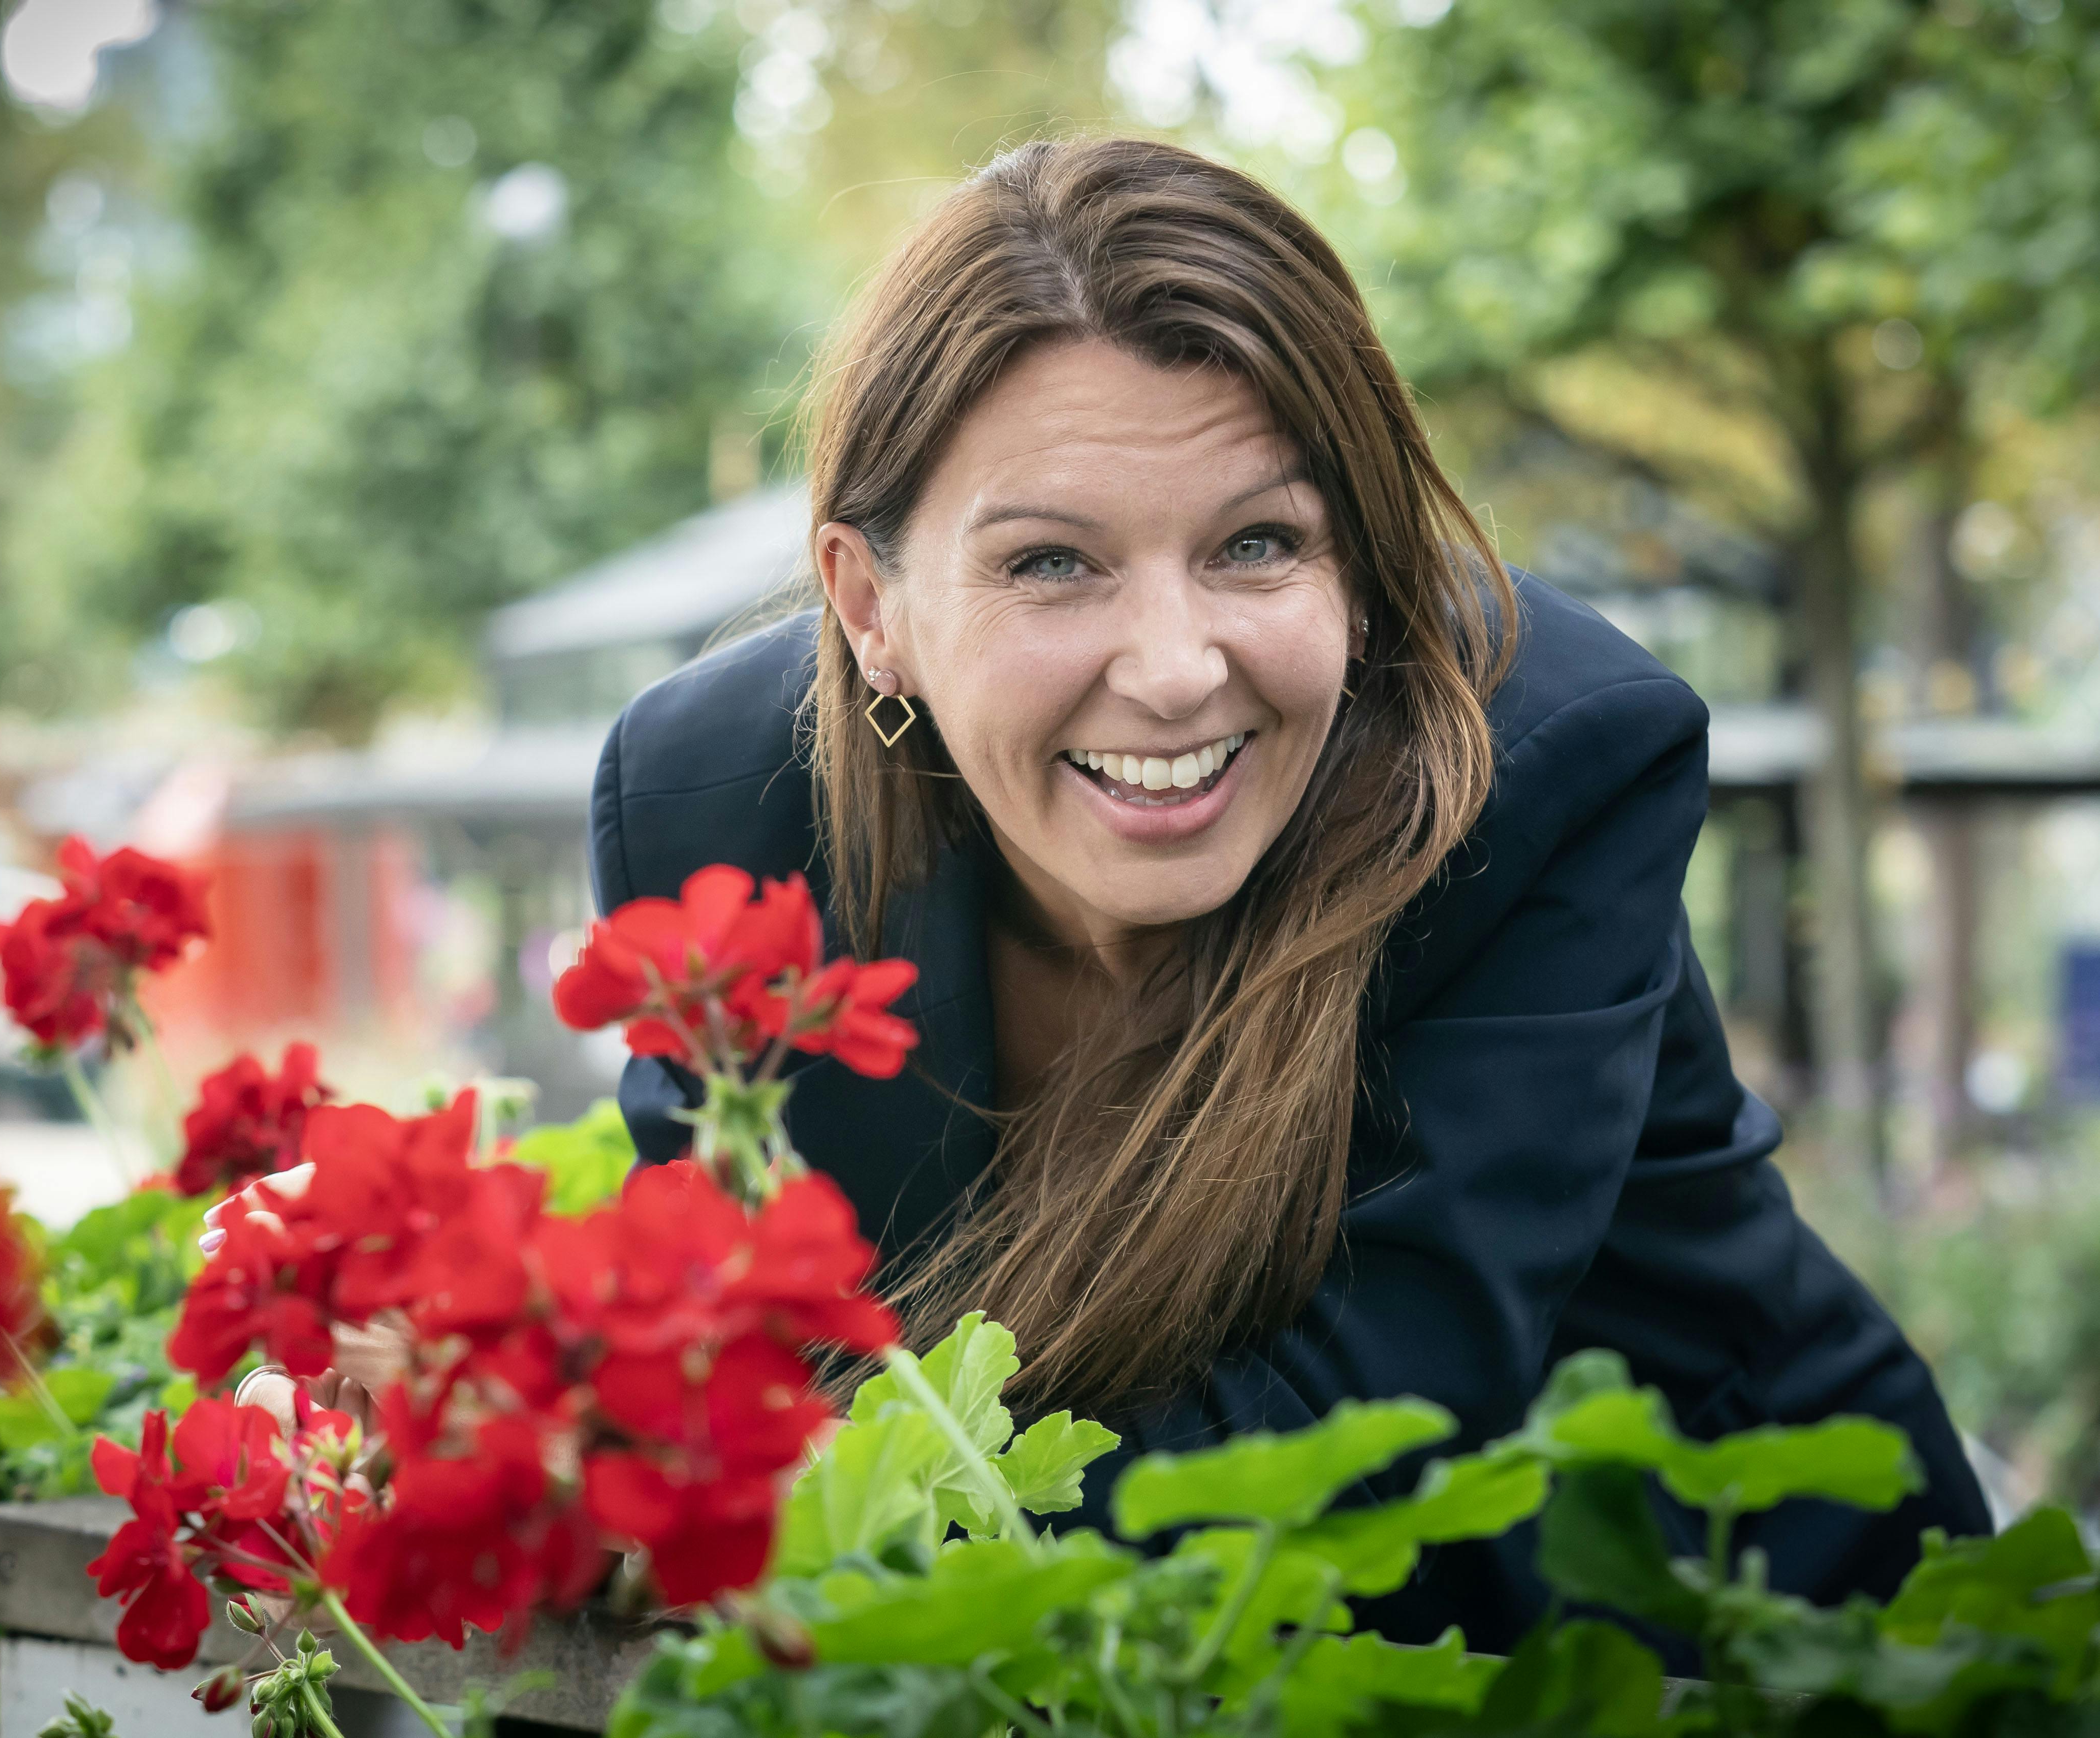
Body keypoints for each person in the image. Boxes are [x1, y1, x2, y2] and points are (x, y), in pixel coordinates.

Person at [587, 137, 1988, 1654]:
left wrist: (798, 1563)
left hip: (1728, 1628)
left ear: (1366, 570)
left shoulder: (1545, 768)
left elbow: (1326, 1445)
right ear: (870, 606)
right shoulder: (708, 805)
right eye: (1052, 565)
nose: (1177, 666)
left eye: (1258, 544)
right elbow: (741, 1357)